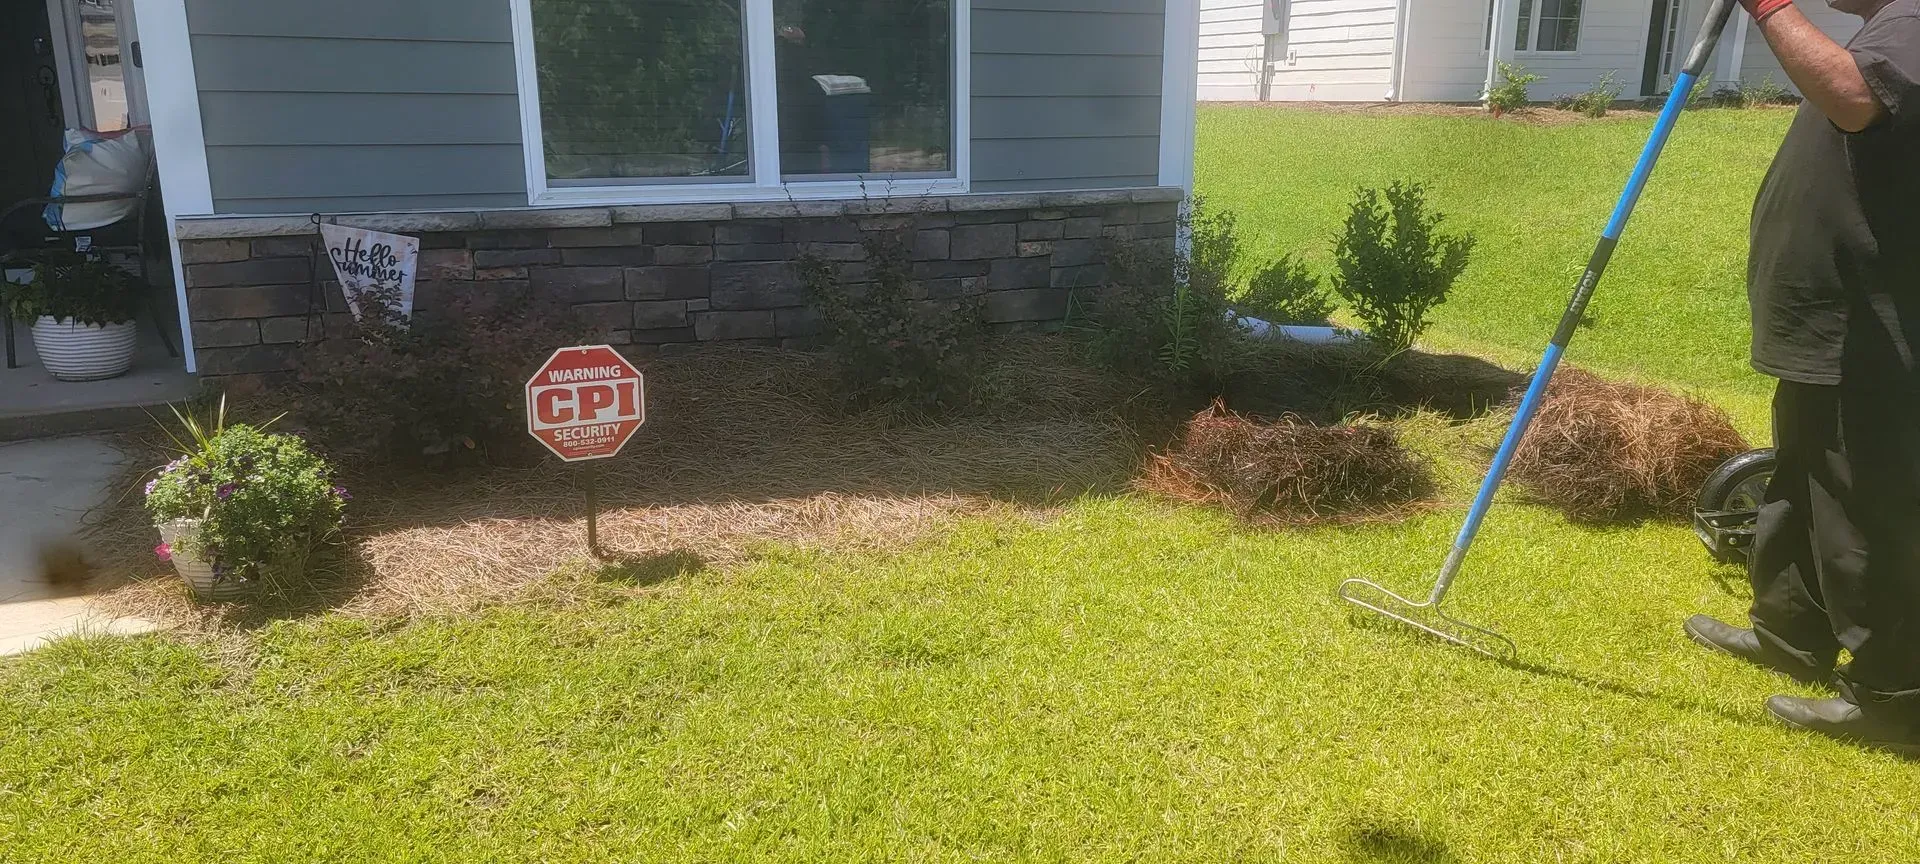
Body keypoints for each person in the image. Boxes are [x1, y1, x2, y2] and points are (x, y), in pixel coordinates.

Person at [1684, 0, 1920, 755]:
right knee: (1800, 476)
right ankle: (1790, 631)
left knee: (1862, 505)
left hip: (1865, 326)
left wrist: (1771, 7)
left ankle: (1895, 697)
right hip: (1826, 316)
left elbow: (1853, 98)